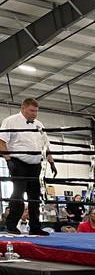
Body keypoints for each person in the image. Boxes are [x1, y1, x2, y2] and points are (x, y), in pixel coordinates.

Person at [0, 97, 57, 235]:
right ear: (23, 108)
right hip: (18, 163)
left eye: (36, 111)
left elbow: (45, 145)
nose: (34, 114)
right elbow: (1, 141)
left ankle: (35, 227)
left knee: (35, 197)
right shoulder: (10, 121)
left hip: (36, 165)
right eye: (31, 110)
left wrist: (51, 162)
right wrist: (8, 160)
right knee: (18, 195)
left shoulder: (39, 124)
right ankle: (12, 225)